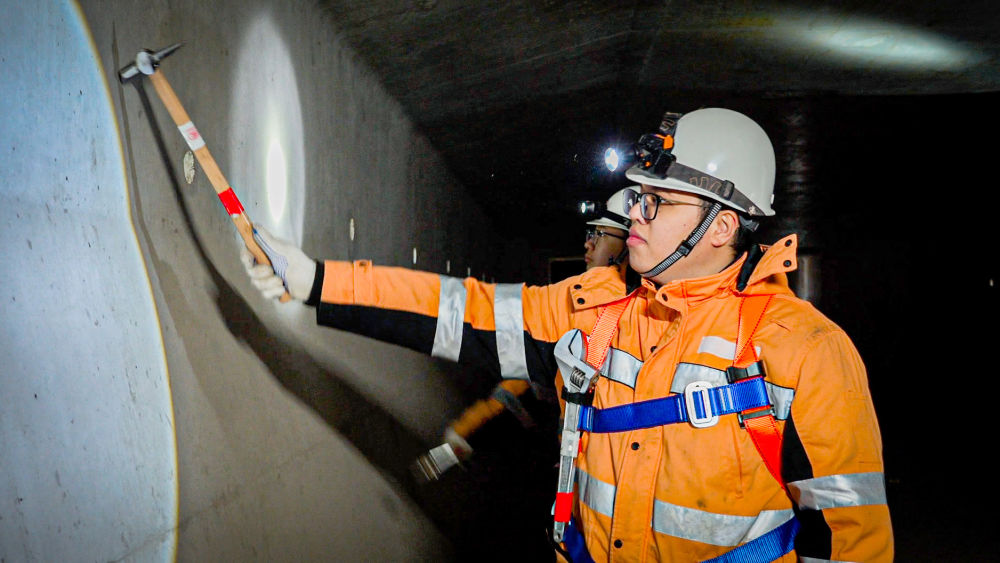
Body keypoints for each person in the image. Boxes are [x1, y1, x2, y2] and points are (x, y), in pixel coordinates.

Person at [243, 108, 892, 562]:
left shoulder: (802, 350)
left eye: (657, 201)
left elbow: (850, 538)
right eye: (637, 196)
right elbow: (462, 312)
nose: (635, 214)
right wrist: (318, 281)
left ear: (721, 227)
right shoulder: (596, 308)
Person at [412, 188, 635, 482]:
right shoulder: (583, 304)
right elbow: (520, 391)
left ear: (629, 244)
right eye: (590, 233)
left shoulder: (640, 317)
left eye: (599, 234)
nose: (588, 243)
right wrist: (460, 441)